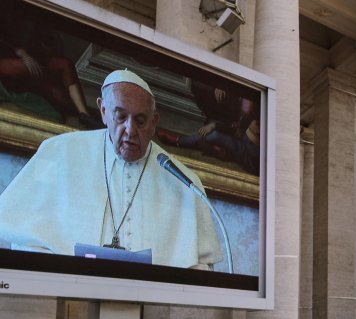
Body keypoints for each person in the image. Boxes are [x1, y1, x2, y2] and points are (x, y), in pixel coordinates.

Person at [0, 69, 222, 269]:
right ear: (103, 110)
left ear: (154, 122)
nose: (130, 130)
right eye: (121, 116)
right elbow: (27, 241)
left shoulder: (184, 180)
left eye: (141, 120)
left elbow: (200, 267)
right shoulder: (60, 152)